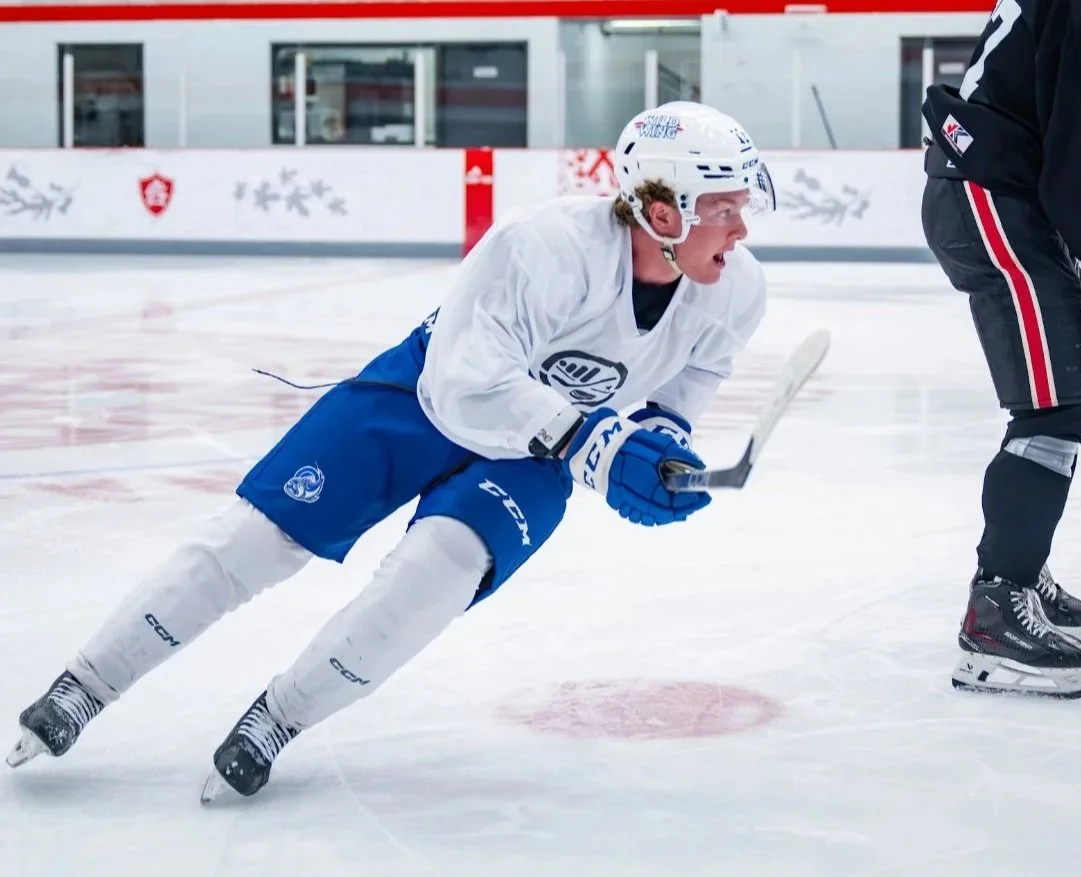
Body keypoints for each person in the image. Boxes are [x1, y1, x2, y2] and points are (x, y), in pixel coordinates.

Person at [7, 101, 777, 800]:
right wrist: (598, 443)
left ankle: (279, 717)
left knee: (437, 573)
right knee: (257, 539)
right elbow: (465, 382)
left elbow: (690, 381)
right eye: (723, 209)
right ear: (661, 210)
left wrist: (664, 445)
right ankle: (86, 684)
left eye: (743, 207)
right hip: (425, 398)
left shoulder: (737, 288)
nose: (741, 230)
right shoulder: (542, 246)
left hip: (540, 454)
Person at [920, 0, 1081, 698]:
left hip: (998, 187)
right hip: (992, 194)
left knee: (1069, 391)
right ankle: (998, 608)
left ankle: (1018, 566)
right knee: (1058, 400)